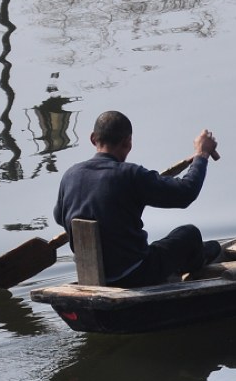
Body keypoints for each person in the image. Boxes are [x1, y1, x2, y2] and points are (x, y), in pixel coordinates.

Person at [53, 110, 221, 288]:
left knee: (160, 246)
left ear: (93, 139)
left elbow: (59, 217)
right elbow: (186, 193)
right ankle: (193, 267)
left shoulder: (70, 175)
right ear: (128, 142)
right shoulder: (130, 175)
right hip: (135, 274)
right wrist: (202, 155)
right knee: (189, 234)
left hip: (91, 276)